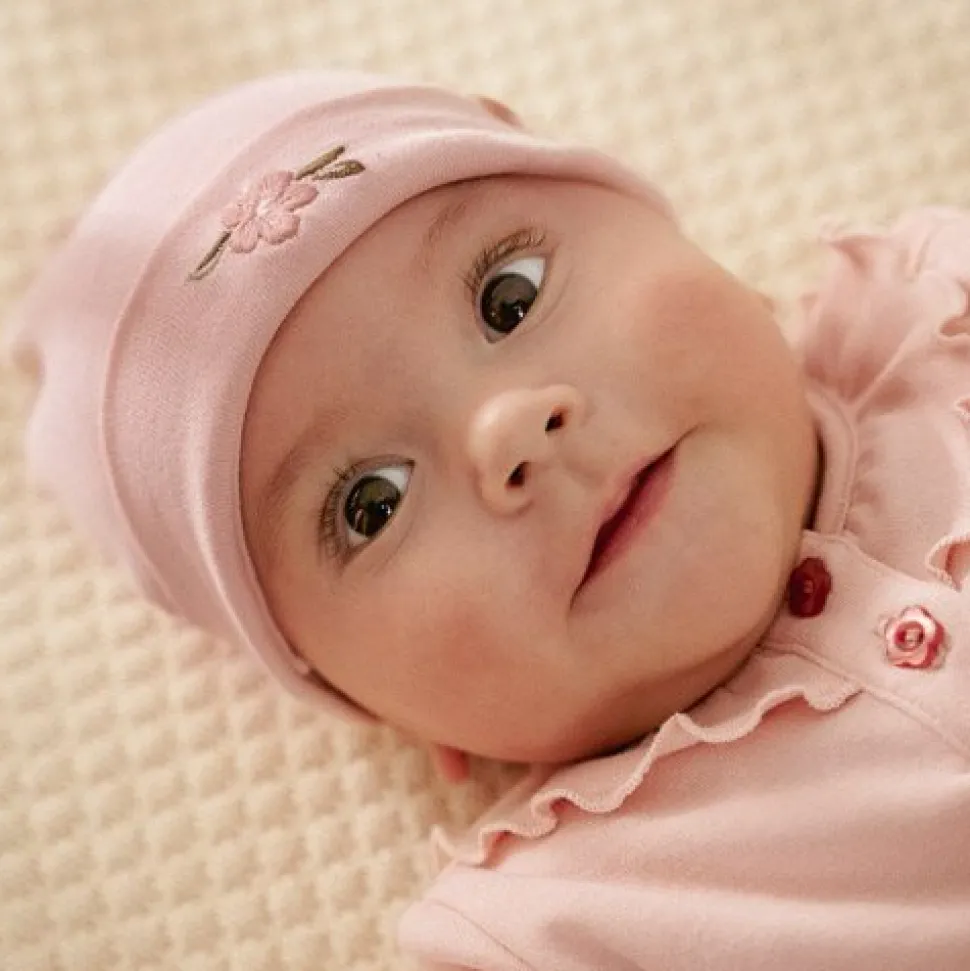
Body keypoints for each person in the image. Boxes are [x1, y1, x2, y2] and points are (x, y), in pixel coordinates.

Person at [7, 71, 969, 970]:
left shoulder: (942, 316)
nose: (508, 428)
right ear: (387, 711)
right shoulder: (559, 929)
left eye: (511, 298)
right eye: (373, 501)